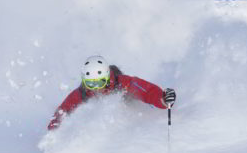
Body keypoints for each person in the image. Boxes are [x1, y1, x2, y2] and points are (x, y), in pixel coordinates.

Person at [48, 55, 176, 130]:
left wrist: (163, 99)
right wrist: (55, 129)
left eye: (100, 83)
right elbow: (63, 111)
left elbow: (147, 91)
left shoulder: (123, 82)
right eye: (90, 83)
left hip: (130, 117)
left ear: (108, 77)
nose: (95, 88)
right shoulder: (82, 93)